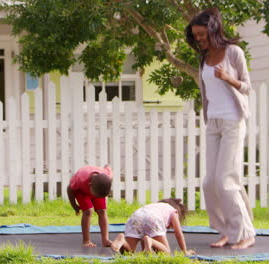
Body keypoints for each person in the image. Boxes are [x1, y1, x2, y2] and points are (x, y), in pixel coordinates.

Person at [185, 8, 256, 249]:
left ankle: (245, 234)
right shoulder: (203, 58)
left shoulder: (233, 53)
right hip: (213, 122)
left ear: (213, 30)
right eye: (196, 35)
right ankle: (227, 230)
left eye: (202, 34)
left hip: (233, 120)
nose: (199, 39)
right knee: (210, 182)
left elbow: (247, 86)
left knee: (226, 181)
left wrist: (228, 78)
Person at [110, 198, 195, 255]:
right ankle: (150, 240)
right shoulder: (173, 210)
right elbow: (178, 233)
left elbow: (144, 227)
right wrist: (184, 251)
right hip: (153, 218)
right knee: (166, 253)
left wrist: (146, 249)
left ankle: (122, 240)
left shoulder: (153, 206)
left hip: (136, 216)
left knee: (128, 253)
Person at [67, 165, 113, 247]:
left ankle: (105, 239)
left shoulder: (106, 176)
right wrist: (74, 206)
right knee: (88, 211)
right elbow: (69, 189)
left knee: (102, 211)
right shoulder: (80, 180)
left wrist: (107, 166)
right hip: (81, 192)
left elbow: (108, 169)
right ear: (90, 185)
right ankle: (86, 240)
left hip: (98, 188)